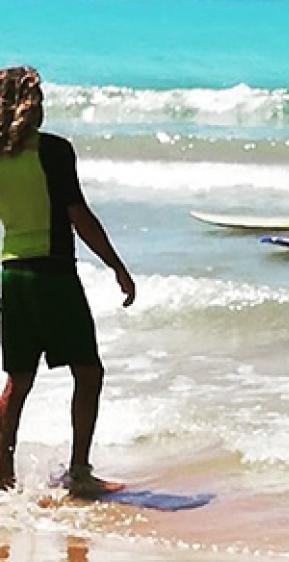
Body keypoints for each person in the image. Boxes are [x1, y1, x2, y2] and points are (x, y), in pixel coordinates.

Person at [0, 66, 136, 495]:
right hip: (53, 275)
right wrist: (116, 265)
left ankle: (3, 478)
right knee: (89, 372)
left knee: (18, 380)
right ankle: (79, 473)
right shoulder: (55, 151)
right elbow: (79, 217)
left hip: (11, 275)